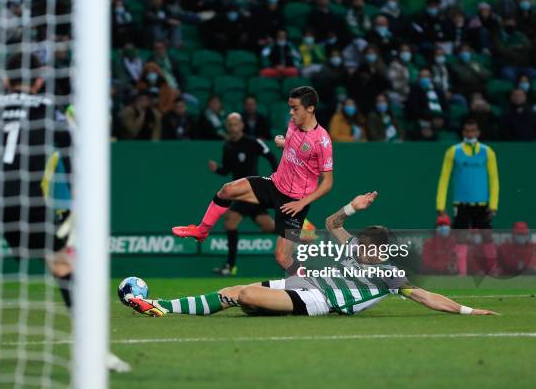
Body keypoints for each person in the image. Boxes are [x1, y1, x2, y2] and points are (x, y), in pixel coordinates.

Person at [0, 53, 129, 371]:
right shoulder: (48, 109)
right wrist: (78, 206)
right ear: (38, 81)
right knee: (63, 267)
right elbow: (71, 155)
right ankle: (97, 353)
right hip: (25, 199)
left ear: (5, 80)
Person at [125, 191, 498, 318]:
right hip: (302, 283)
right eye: (364, 246)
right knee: (238, 291)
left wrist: (468, 310)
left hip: (317, 299)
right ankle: (158, 306)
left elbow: (425, 296)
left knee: (245, 296)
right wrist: (353, 207)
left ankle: (157, 306)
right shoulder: (354, 246)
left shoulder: (389, 275)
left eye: (371, 249)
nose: (364, 252)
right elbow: (333, 222)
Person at [172, 87, 333, 272]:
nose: (290, 112)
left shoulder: (322, 141)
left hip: (295, 201)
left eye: (295, 108)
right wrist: (284, 143)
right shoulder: (292, 124)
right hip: (274, 184)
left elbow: (327, 182)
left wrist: (301, 203)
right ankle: (202, 230)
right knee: (227, 190)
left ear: (310, 108)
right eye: (290, 107)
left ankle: (313, 285)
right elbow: (296, 146)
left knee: (282, 258)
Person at [208, 113, 278, 276]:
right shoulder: (227, 146)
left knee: (230, 222)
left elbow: (271, 155)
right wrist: (216, 169)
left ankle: (230, 266)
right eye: (230, 125)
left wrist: (277, 176)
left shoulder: (252, 142)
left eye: (235, 124)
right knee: (270, 227)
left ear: (241, 125)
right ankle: (302, 233)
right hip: (240, 193)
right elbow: (226, 170)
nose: (232, 127)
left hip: (251, 190)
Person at [436, 118, 499, 277]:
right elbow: (444, 178)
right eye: (467, 130)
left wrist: (494, 204)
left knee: (487, 235)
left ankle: (492, 270)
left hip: (482, 203)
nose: (470, 133)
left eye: (473, 130)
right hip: (461, 203)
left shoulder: (488, 152)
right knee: (461, 237)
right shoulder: (453, 151)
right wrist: (440, 204)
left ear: (478, 132)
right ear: (463, 132)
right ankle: (461, 273)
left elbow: (494, 178)